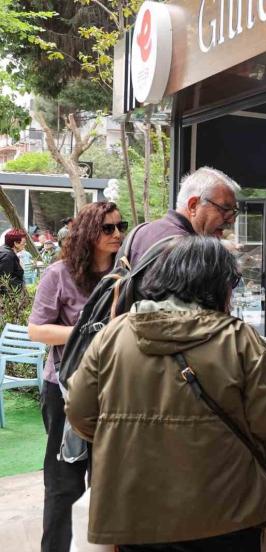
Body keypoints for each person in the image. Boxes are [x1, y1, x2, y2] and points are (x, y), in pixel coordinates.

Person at [65, 236, 266, 551]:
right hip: (228, 513)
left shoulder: (114, 335)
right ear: (217, 285)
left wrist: (129, 435)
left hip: (136, 510)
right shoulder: (240, 339)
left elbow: (80, 414)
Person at [28, 202, 126, 552]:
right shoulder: (59, 274)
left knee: (110, 480)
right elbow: (37, 330)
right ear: (88, 233)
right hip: (65, 388)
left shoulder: (126, 276)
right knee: (62, 483)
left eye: (121, 226)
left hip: (114, 389)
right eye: (107, 228)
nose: (117, 234)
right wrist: (86, 333)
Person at [126, 166, 241, 265]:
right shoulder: (191, 252)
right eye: (224, 209)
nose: (231, 220)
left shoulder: (138, 233)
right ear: (193, 205)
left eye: (233, 211)